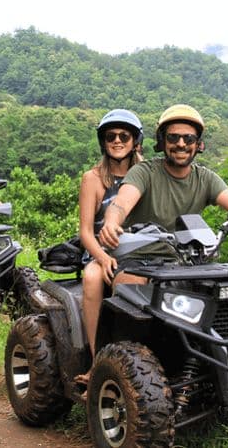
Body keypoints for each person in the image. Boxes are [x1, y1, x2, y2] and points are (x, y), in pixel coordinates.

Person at [99, 103, 228, 285]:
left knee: (224, 292)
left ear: (198, 144)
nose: (181, 144)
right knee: (129, 287)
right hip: (139, 259)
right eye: (173, 138)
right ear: (162, 141)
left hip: (186, 261)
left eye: (188, 139)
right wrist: (111, 222)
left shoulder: (205, 178)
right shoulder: (144, 172)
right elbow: (121, 204)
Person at [79, 109, 144, 373]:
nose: (117, 141)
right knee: (93, 278)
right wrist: (103, 257)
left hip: (141, 250)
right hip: (101, 250)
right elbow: (85, 231)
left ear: (135, 141)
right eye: (111, 136)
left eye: (124, 136)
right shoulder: (92, 179)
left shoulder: (146, 174)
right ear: (103, 141)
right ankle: (97, 361)